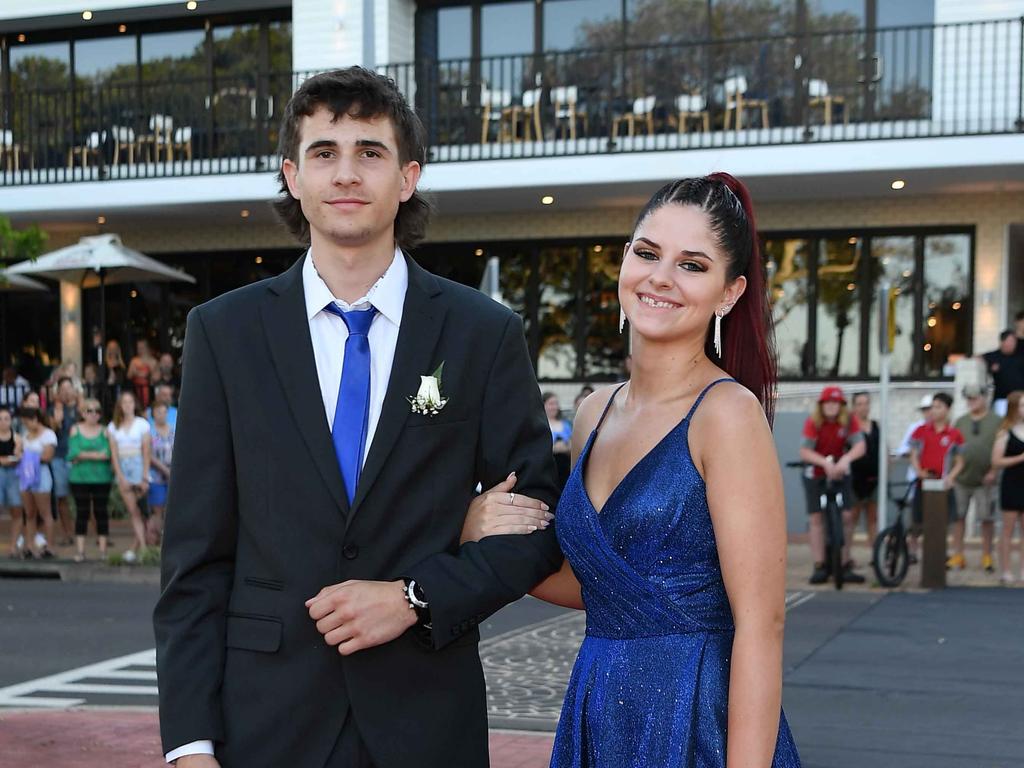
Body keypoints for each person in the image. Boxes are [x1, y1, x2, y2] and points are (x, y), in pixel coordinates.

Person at [153, 66, 562, 768]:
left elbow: (535, 523)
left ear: (407, 177)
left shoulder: (482, 333)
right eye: (324, 153)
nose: (346, 173)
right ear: (293, 176)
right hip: (265, 726)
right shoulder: (224, 334)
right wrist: (189, 746)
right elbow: (194, 558)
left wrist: (416, 597)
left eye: (369, 152)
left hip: (426, 719)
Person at [462, 174, 800, 766]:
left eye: (692, 265)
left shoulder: (726, 414)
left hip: (696, 721)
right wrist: (478, 535)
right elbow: (599, 589)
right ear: (624, 260)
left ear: (729, 292)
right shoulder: (594, 411)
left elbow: (762, 627)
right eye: (647, 253)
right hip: (600, 707)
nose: (661, 277)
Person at [799, 385, 867, 584]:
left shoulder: (849, 422)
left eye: (835, 403)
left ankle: (845, 563)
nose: (831, 406)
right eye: (827, 402)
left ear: (841, 406)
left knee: (847, 515)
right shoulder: (814, 422)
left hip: (841, 473)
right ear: (821, 405)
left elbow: (860, 446)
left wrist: (845, 460)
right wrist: (824, 463)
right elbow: (804, 452)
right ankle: (819, 564)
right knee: (816, 518)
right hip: (816, 473)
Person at [949, 384, 1001, 572]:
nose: (972, 402)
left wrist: (994, 472)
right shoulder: (960, 421)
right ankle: (958, 555)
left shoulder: (997, 421)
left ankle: (987, 556)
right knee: (958, 518)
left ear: (984, 398)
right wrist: (952, 473)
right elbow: (952, 449)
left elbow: (1000, 447)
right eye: (969, 399)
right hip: (961, 479)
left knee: (986, 518)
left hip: (985, 480)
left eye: (975, 398)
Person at [909, 393, 964, 554]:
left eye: (938, 406)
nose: (933, 410)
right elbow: (913, 454)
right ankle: (913, 551)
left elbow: (960, 462)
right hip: (923, 483)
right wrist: (919, 471)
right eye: (932, 406)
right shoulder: (921, 430)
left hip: (942, 485)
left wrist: (950, 477)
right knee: (917, 519)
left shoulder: (954, 434)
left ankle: (939, 553)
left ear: (947, 409)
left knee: (942, 521)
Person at [107, 390, 151, 563]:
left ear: (135, 404)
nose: (127, 405)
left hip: (139, 466)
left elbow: (147, 451)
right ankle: (143, 549)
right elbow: (114, 454)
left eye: (130, 402)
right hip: (124, 467)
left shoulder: (142, 424)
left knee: (141, 511)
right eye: (124, 402)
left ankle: (138, 548)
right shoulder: (113, 426)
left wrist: (145, 476)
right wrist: (120, 476)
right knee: (133, 511)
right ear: (120, 406)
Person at [67, 398, 112, 563]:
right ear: (83, 413)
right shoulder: (75, 429)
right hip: (79, 478)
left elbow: (107, 454)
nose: (94, 414)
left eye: (97, 411)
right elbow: (73, 453)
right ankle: (80, 551)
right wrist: (96, 455)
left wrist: (84, 455)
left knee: (101, 512)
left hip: (102, 478)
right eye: (89, 411)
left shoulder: (105, 430)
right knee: (82, 512)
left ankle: (103, 551)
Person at [992, 390, 1024, 584]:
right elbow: (996, 460)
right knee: (1008, 530)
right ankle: (1005, 570)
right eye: (1022, 405)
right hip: (1012, 483)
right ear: (1014, 408)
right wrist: (1019, 458)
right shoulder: (1005, 431)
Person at [17, 407, 57, 560]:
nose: (26, 426)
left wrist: (28, 457)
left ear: (35, 419)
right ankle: (30, 545)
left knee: (45, 512)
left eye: (27, 422)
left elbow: (47, 456)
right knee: (30, 513)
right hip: (26, 476)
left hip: (41, 475)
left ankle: (50, 546)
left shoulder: (48, 435)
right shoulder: (26, 436)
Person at [49, 376, 81, 546]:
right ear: (58, 391)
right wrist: (58, 417)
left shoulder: (80, 408)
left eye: (70, 387)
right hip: (59, 457)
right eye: (63, 388)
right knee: (62, 497)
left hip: (77, 458)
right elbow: (52, 429)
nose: (67, 391)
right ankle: (67, 533)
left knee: (82, 497)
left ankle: (86, 534)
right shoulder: (52, 408)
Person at [849, 391, 880, 547]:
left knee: (873, 518)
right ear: (854, 406)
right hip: (855, 479)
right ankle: (845, 557)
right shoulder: (850, 426)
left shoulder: (876, 426)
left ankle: (875, 554)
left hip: (874, 478)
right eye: (859, 404)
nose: (863, 407)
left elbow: (883, 450)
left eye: (866, 403)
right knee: (852, 517)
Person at [147, 401, 174, 547]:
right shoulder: (150, 432)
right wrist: (164, 469)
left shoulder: (173, 430)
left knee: (171, 509)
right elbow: (149, 455)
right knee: (157, 510)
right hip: (156, 476)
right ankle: (155, 544)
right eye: (158, 412)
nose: (161, 415)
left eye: (164, 412)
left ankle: (169, 542)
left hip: (173, 476)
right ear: (153, 414)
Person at [981, 330, 1024, 417]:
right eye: (1010, 341)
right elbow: (977, 358)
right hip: (1002, 399)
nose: (1013, 344)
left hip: (1021, 399)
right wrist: (990, 367)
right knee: (1001, 423)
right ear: (1002, 342)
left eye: (1014, 341)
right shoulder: (993, 356)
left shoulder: (1021, 355)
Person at [0, 408, 25, 558]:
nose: (3, 422)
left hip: (13, 475)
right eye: (0, 419)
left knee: (16, 508)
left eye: (6, 418)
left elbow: (18, 456)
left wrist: (12, 458)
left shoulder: (16, 437)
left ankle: (13, 545)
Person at [544, 391, 572, 489]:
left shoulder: (566, 424)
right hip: (548, 469)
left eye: (556, 404)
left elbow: (573, 444)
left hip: (565, 468)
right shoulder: (541, 425)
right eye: (551, 404)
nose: (554, 407)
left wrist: (566, 447)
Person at [127, 339, 158, 409]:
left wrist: (140, 373)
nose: (140, 349)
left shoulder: (153, 361)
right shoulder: (134, 361)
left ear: (147, 348)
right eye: (138, 347)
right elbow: (128, 376)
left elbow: (155, 378)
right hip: (136, 389)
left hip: (148, 389)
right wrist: (140, 373)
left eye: (142, 347)